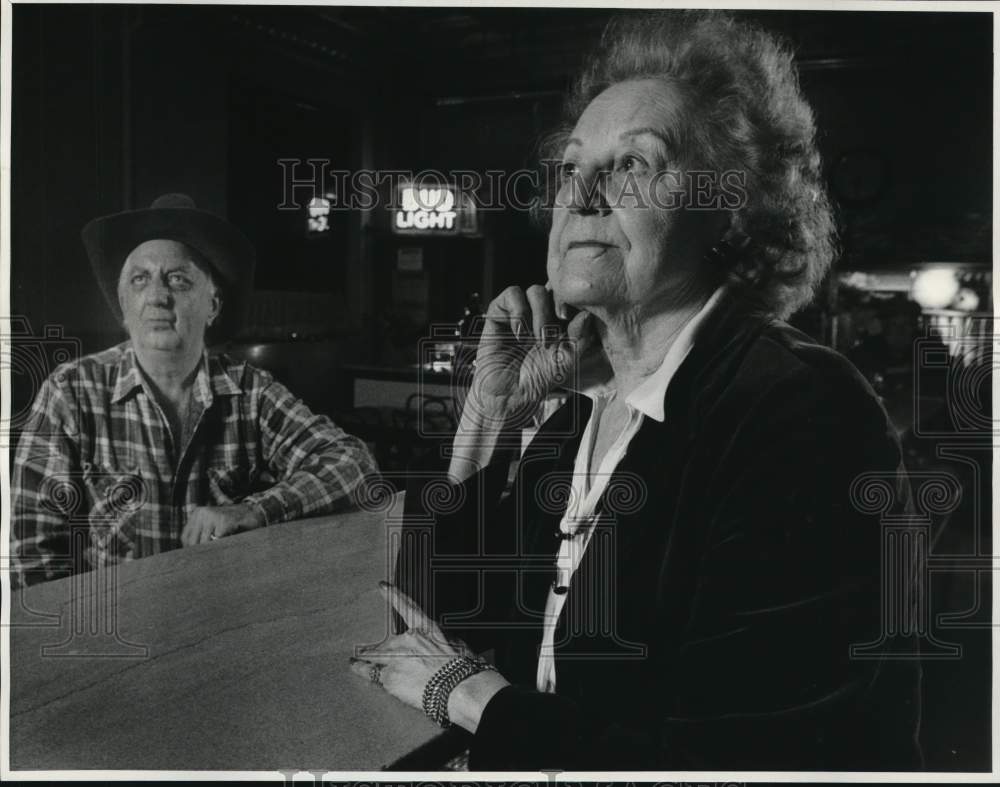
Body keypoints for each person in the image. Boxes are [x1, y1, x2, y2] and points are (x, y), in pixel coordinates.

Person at [349, 11, 922, 771]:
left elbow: (734, 755)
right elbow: (449, 609)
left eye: (633, 166)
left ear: (730, 208)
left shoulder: (798, 408)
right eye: (570, 169)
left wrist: (468, 696)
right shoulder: (585, 404)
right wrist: (491, 413)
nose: (582, 195)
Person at [11, 194, 378, 587]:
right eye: (140, 279)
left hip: (221, 621)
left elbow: (355, 464)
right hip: (116, 630)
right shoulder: (72, 392)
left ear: (213, 305)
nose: (157, 295)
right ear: (123, 305)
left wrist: (255, 510)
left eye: (178, 279)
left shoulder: (251, 393)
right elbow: (32, 550)